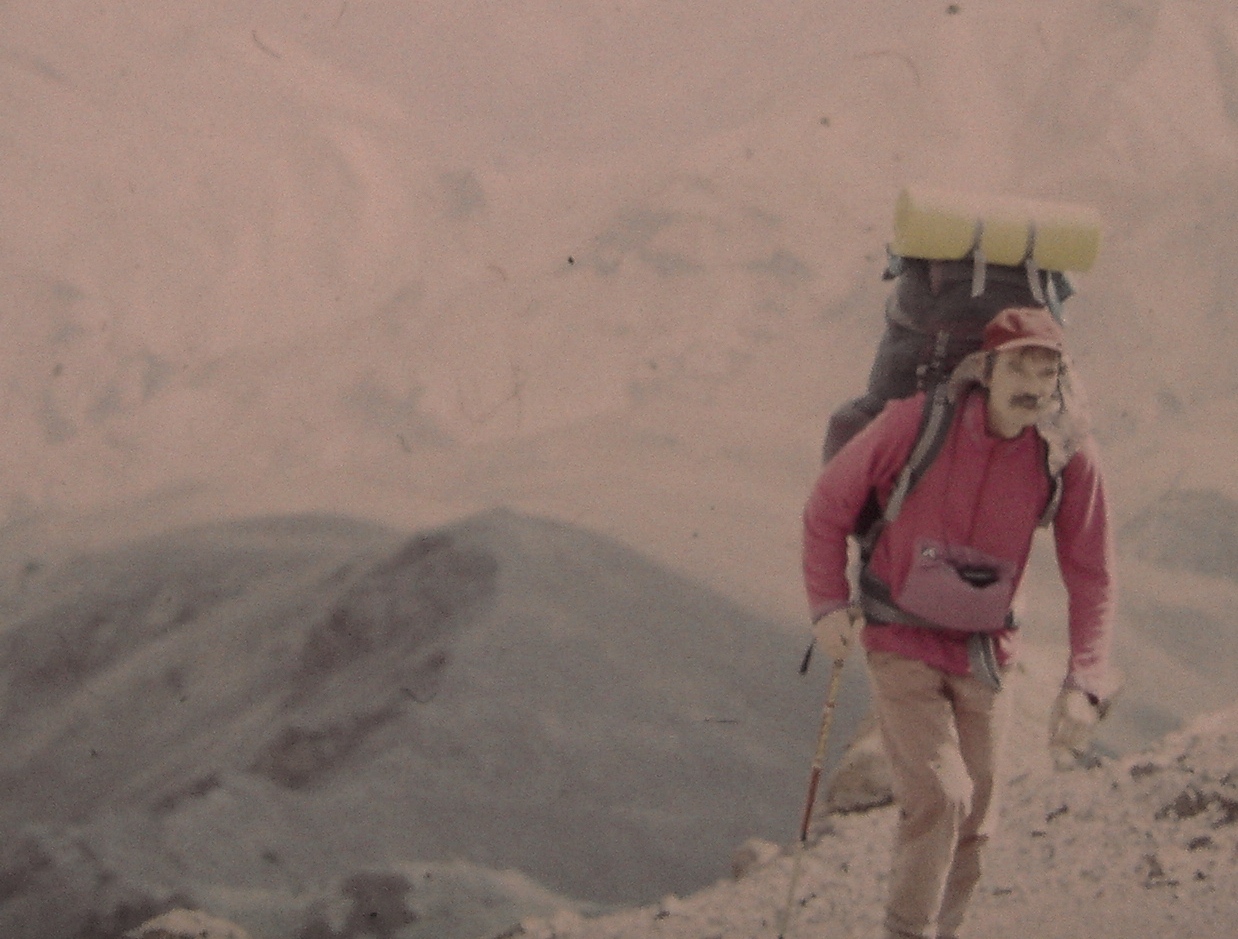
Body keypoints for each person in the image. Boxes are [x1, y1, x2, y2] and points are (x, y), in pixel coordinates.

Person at [801, 305, 1117, 939]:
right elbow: (827, 507)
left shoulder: (1066, 456)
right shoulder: (916, 424)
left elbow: (1092, 573)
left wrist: (1085, 679)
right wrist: (828, 603)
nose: (1033, 385)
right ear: (985, 369)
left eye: (1048, 371)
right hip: (900, 636)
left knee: (978, 820)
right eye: (1019, 367)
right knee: (943, 797)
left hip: (985, 651)